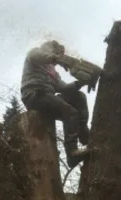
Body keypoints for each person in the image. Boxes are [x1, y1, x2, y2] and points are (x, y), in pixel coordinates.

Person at [20, 40, 90, 168]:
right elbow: (40, 56)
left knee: (78, 97)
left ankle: (84, 134)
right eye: (57, 53)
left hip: (48, 97)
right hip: (35, 95)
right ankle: (72, 153)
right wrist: (56, 58)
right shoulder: (35, 53)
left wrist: (81, 82)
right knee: (70, 112)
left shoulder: (53, 72)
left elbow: (65, 88)